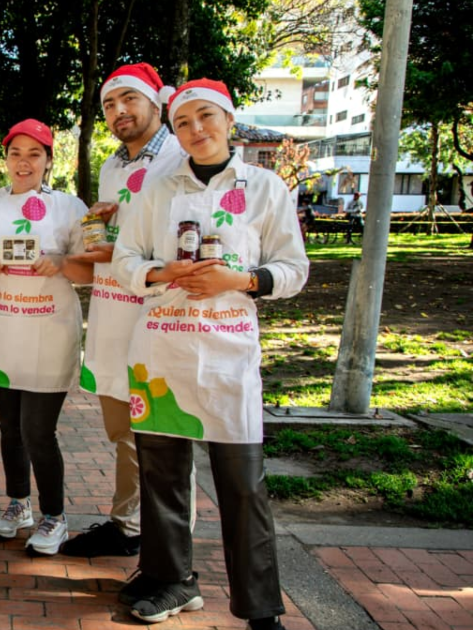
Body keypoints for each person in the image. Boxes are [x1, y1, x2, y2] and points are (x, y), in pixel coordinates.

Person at [112, 79, 309, 630]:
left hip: (228, 354)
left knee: (243, 484)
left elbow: (294, 270)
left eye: (206, 118)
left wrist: (244, 278)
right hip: (161, 350)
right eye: (183, 123)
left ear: (228, 119)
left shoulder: (266, 188)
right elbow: (125, 258)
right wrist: (160, 271)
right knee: (162, 476)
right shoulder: (156, 191)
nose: (196, 131)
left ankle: (260, 608)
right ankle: (170, 580)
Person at [61, 63, 189, 565]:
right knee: (124, 431)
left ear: (157, 102)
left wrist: (121, 240)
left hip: (159, 314)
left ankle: (168, 552)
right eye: (110, 104)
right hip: (113, 311)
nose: (119, 112)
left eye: (129, 100)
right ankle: (128, 525)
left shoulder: (180, 156)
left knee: (163, 435)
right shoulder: (115, 165)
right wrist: (99, 226)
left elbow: (182, 235)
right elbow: (115, 239)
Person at [0, 119, 90, 556]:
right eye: (16, 153)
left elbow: (90, 271)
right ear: (5, 159)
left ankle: (55, 516)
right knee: (9, 428)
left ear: (49, 161)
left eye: (34, 154)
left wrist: (61, 262)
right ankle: (19, 505)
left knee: (38, 430)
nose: (24, 162)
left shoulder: (71, 208)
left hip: (49, 329)